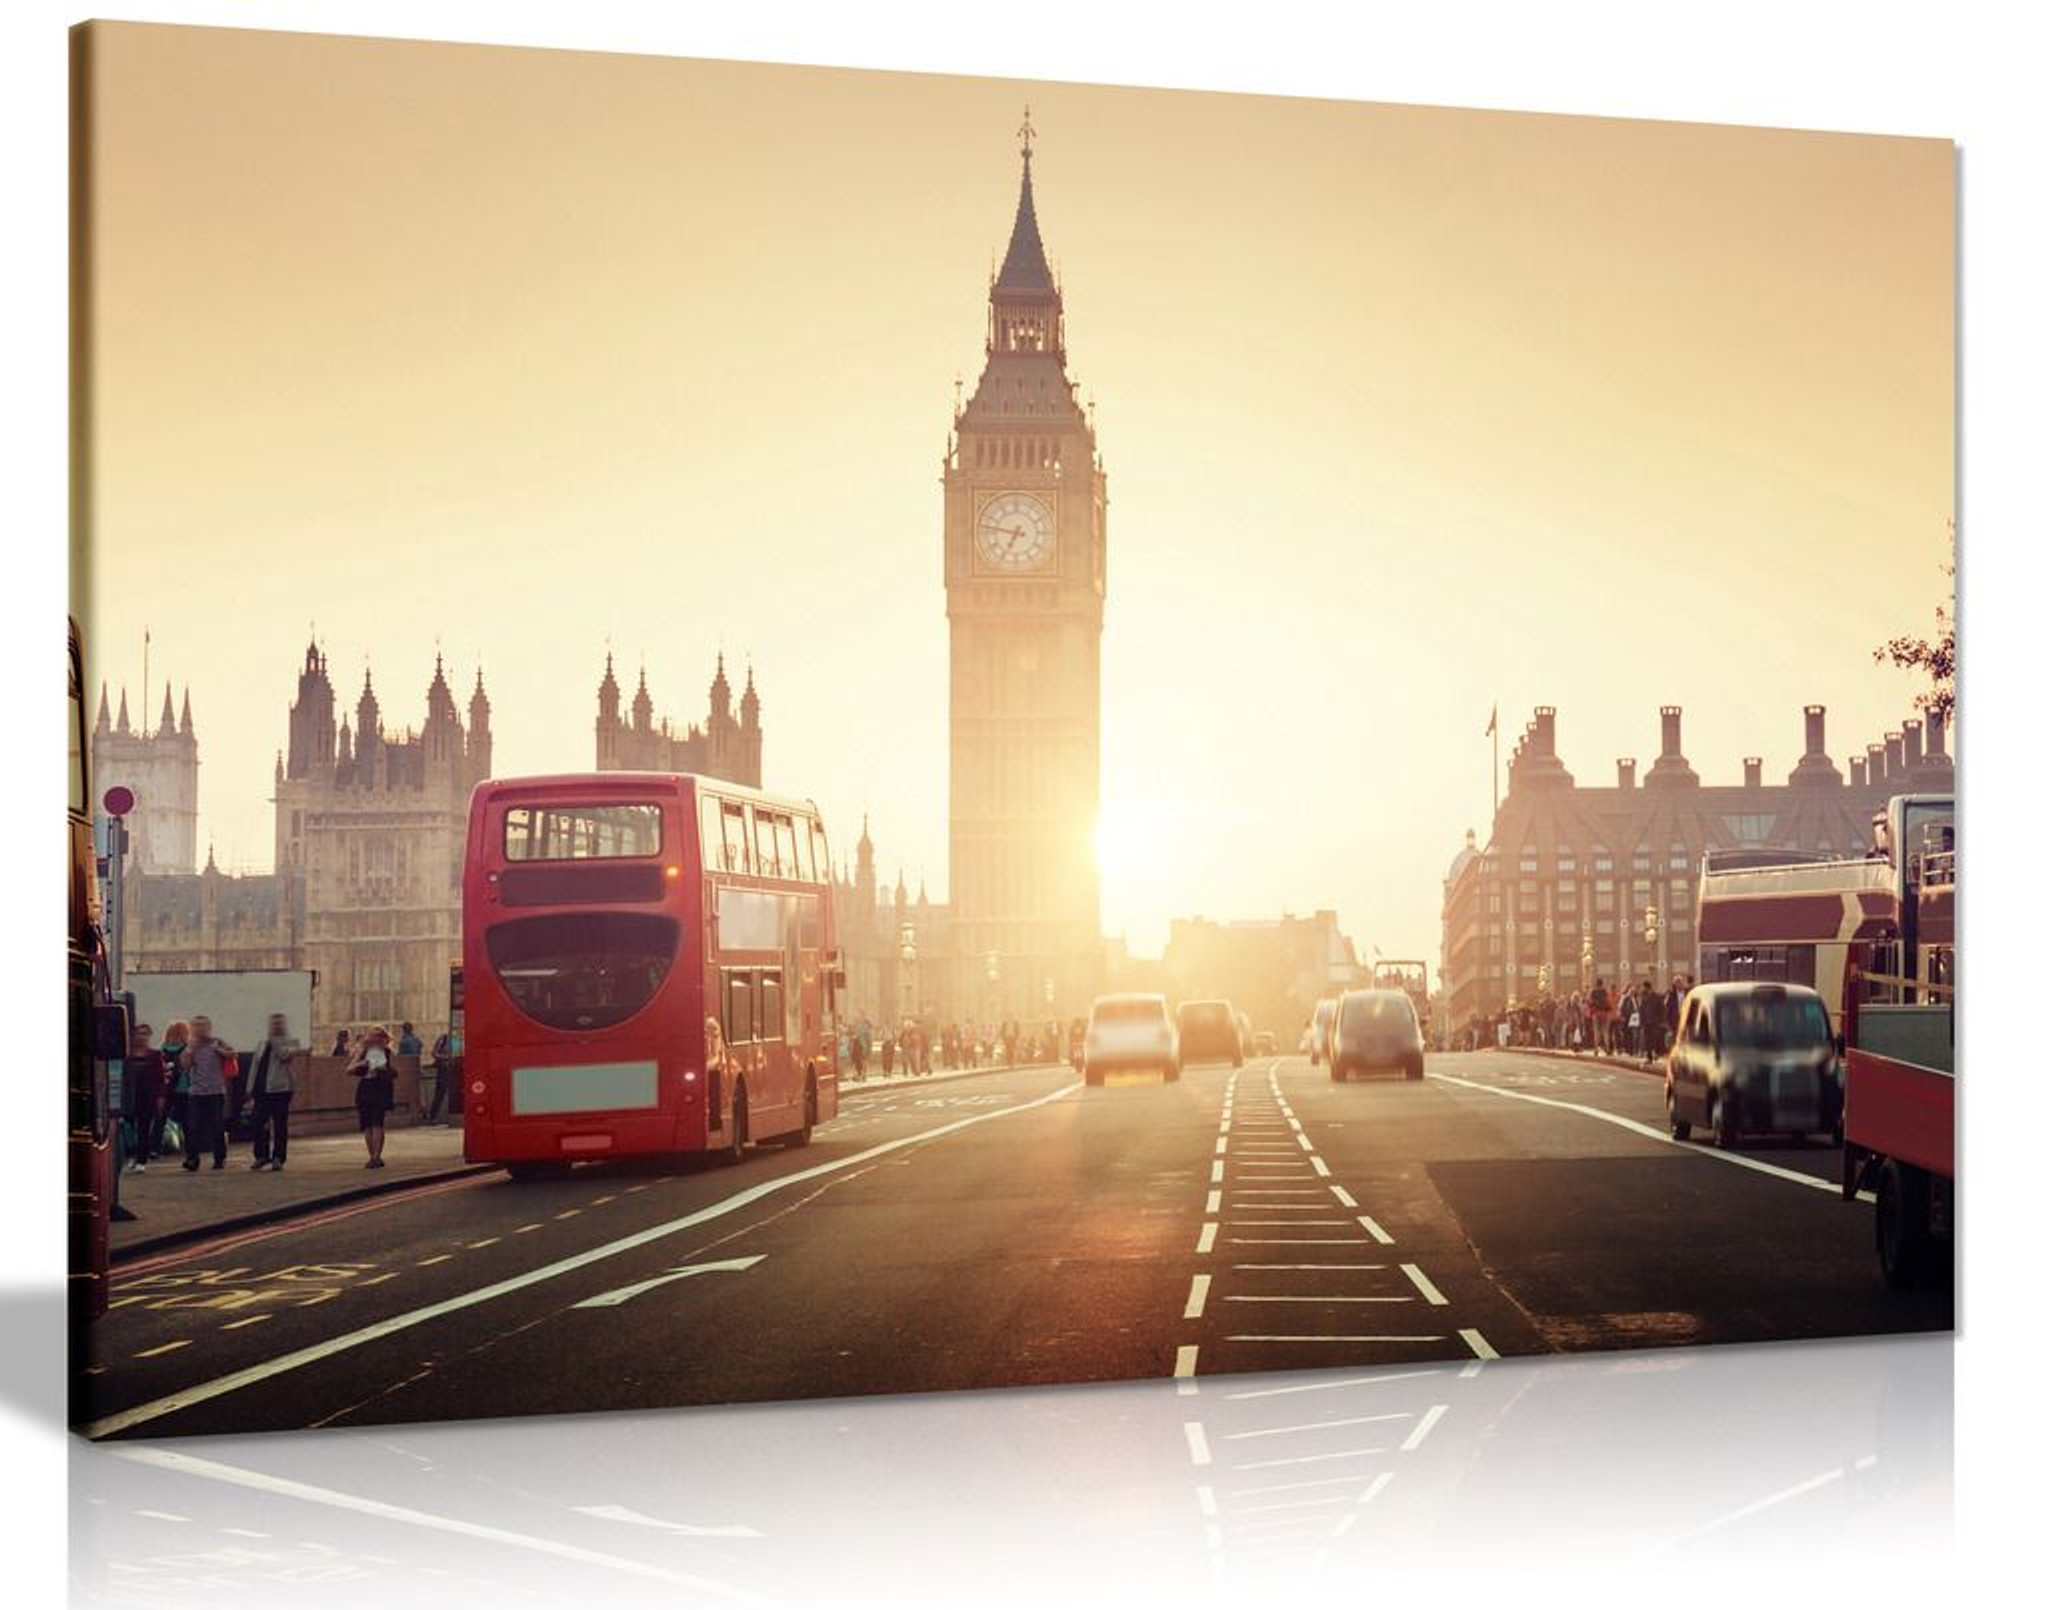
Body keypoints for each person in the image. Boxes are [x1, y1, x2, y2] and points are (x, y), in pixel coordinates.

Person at [177, 1015, 238, 1171]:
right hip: (196, 1093)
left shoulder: (217, 1042)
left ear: (209, 1028)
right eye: (196, 1027)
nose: (200, 1030)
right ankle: (192, 1159)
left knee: (217, 1126)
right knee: (193, 1127)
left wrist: (220, 1051)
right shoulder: (191, 1045)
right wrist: (190, 1050)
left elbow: (233, 1055)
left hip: (216, 1091)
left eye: (202, 1026)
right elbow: (184, 1066)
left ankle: (220, 1158)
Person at [247, 1012, 300, 1170]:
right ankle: (261, 1155)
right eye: (273, 1024)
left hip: (281, 1089)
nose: (276, 1027)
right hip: (262, 1089)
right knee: (257, 1123)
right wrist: (249, 1088)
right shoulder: (262, 1043)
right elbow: (255, 1066)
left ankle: (278, 1157)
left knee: (279, 1125)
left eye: (279, 1024)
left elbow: (284, 1056)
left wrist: (275, 1041)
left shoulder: (291, 1042)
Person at [345, 1024, 398, 1168]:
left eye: (378, 1036)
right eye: (372, 1035)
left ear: (383, 1038)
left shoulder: (387, 1052)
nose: (374, 1039)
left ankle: (376, 1156)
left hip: (380, 1087)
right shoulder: (362, 1051)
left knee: (377, 1122)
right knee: (367, 1124)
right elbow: (349, 1069)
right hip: (366, 1087)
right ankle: (373, 1156)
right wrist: (362, 1062)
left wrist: (383, 1068)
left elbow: (393, 1070)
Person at [126, 1023, 168, 1172]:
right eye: (139, 1033)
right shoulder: (127, 1054)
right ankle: (131, 1155)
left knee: (144, 1128)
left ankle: (141, 1160)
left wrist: (161, 1096)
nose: (141, 1037)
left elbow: (160, 1077)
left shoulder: (155, 1055)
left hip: (148, 1096)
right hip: (129, 1096)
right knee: (128, 1127)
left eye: (144, 1034)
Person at [161, 1018, 191, 1160]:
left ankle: (156, 1147)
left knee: (161, 1119)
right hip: (183, 1087)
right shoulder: (186, 1049)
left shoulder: (163, 1049)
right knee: (186, 1120)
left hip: (166, 1088)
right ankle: (189, 1148)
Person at [426, 1024, 461, 1124]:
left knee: (456, 1093)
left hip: (455, 1069)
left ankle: (454, 1117)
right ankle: (432, 1117)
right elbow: (434, 1053)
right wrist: (446, 1057)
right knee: (439, 1094)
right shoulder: (444, 1038)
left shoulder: (458, 1040)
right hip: (444, 1070)